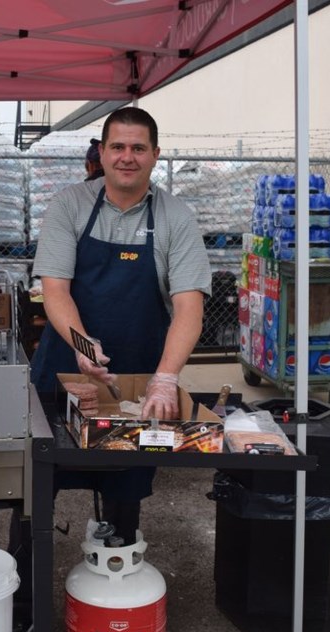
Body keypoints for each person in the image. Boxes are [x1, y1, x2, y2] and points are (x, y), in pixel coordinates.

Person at [30, 107, 211, 543]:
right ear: (103, 153)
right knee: (36, 485)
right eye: (118, 147)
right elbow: (55, 289)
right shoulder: (69, 205)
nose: (127, 157)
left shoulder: (176, 218)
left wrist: (166, 379)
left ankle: (119, 563)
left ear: (155, 155)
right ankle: (25, 590)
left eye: (137, 148)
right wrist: (82, 344)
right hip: (64, 372)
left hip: (137, 380)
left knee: (124, 486)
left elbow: (189, 306)